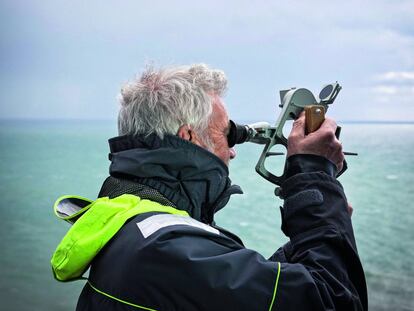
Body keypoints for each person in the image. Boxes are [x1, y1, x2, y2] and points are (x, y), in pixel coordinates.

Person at [51, 64, 368, 310]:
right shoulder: (166, 250)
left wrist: (319, 230)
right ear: (188, 137)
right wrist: (316, 182)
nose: (232, 151)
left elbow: (244, 291)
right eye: (225, 135)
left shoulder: (127, 226)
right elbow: (332, 301)